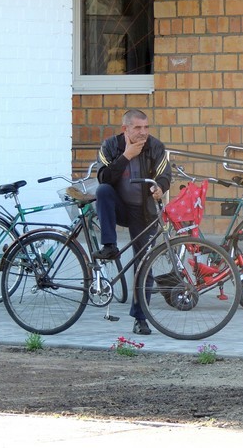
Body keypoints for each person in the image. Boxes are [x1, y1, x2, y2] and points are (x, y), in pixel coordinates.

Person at [93, 109, 173, 334]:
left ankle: (140, 319)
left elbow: (164, 174)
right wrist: (126, 155)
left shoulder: (156, 147)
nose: (143, 132)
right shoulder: (110, 146)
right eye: (138, 128)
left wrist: (159, 187)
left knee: (143, 264)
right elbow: (103, 177)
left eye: (146, 127)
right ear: (125, 129)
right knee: (103, 190)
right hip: (118, 207)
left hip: (144, 212)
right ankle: (109, 246)